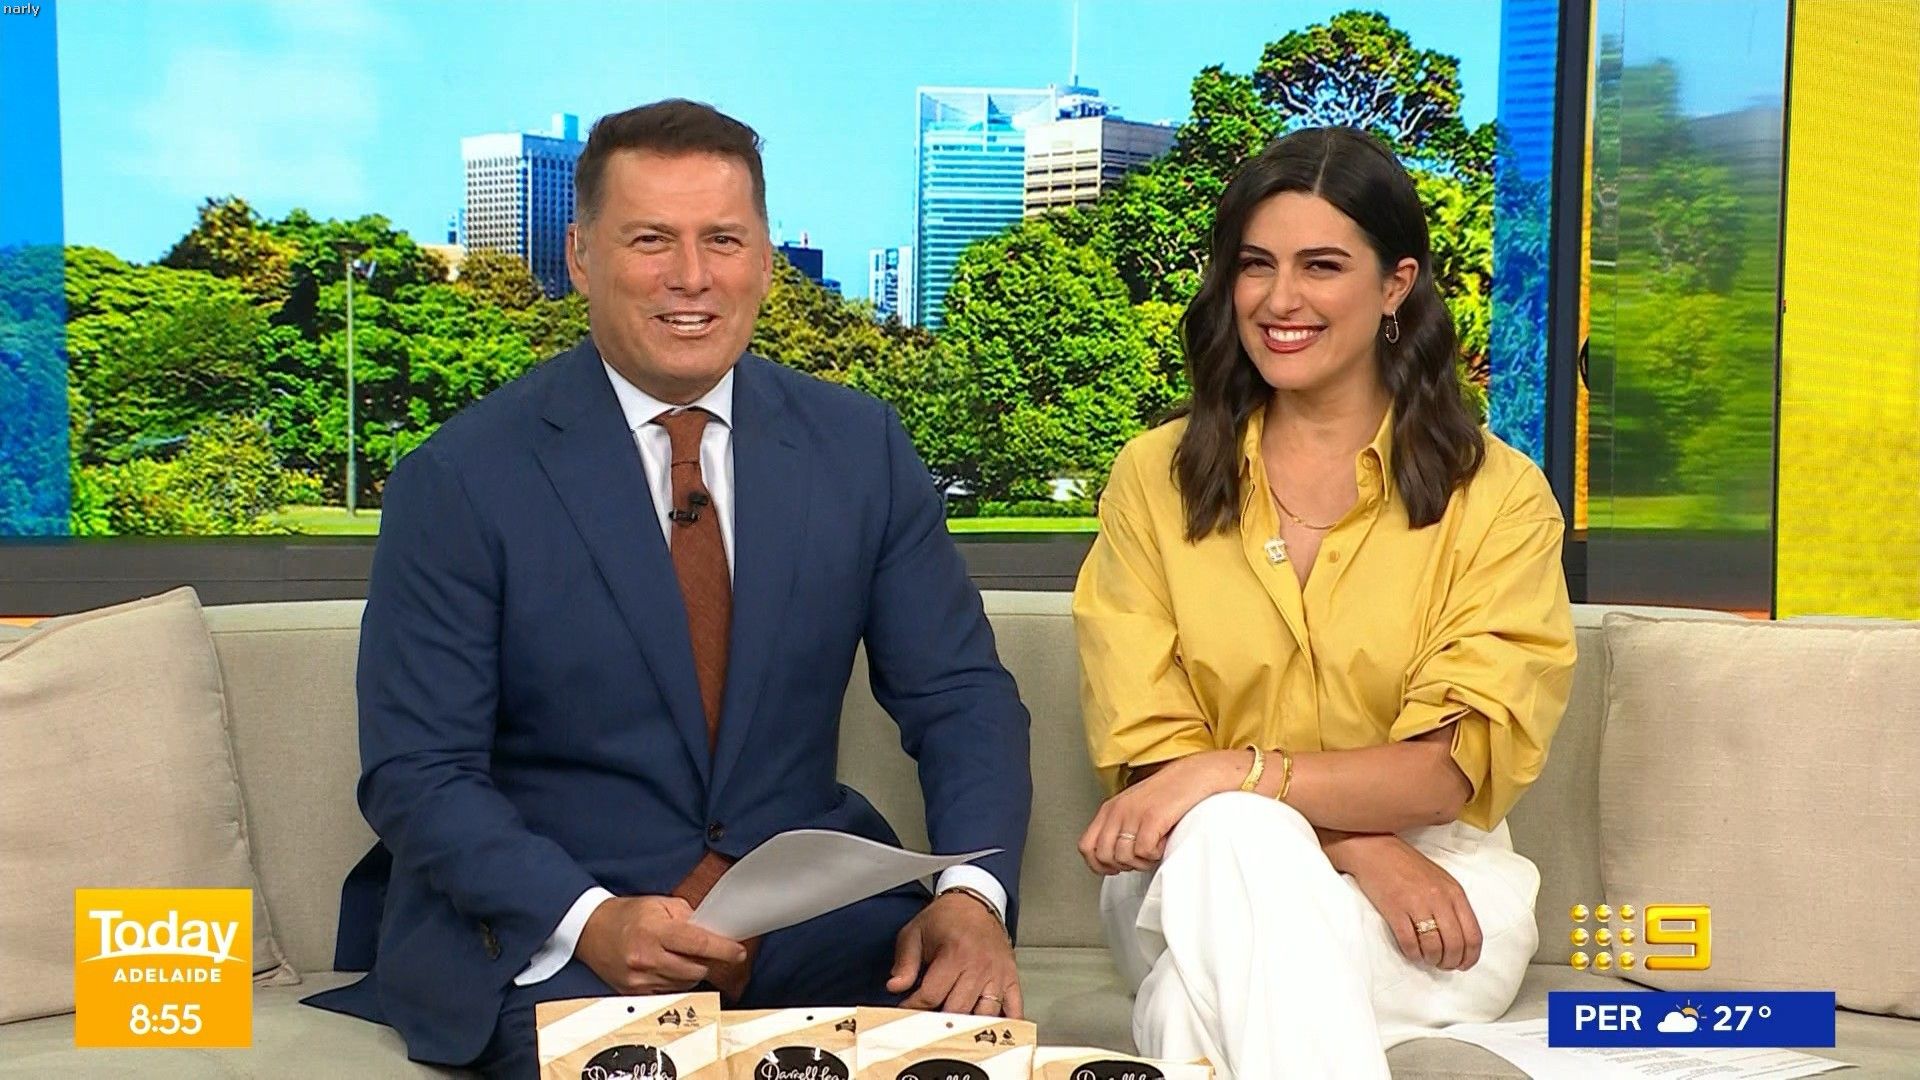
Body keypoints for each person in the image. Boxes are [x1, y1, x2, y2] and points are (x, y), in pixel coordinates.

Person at [306, 100, 1032, 1079]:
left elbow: (961, 697)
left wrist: (972, 896)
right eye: (651, 240)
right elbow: (418, 771)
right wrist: (590, 919)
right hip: (557, 936)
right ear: (580, 256)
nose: (691, 277)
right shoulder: (463, 477)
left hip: (811, 924)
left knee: (973, 1058)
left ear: (764, 259)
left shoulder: (860, 448)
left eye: (721, 240)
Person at [1071, 127, 1575, 1079]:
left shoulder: (1497, 497)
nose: (1279, 299)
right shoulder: (1153, 478)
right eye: (1255, 264)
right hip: (1187, 871)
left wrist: (1231, 770)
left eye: (1322, 266)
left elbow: (1442, 776)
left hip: (1438, 889)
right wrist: (1354, 845)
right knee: (1235, 834)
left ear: (1395, 285)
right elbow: (1154, 760)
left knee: (1189, 997)